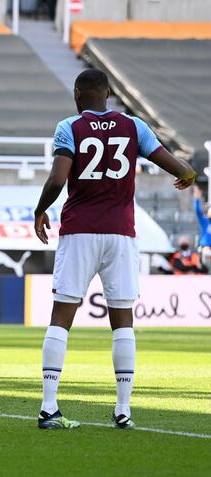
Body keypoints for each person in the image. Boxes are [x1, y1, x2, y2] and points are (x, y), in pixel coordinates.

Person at [33, 68, 195, 430]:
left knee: (62, 316)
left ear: (78, 94)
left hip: (79, 232)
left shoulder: (68, 127)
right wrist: (189, 174)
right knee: (122, 320)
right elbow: (176, 166)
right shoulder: (135, 127)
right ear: (108, 95)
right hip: (121, 234)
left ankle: (48, 406)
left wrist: (40, 208)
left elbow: (59, 179)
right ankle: (123, 410)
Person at [193, 186, 211, 270]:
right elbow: (197, 210)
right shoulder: (204, 221)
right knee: (206, 252)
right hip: (205, 246)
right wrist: (196, 199)